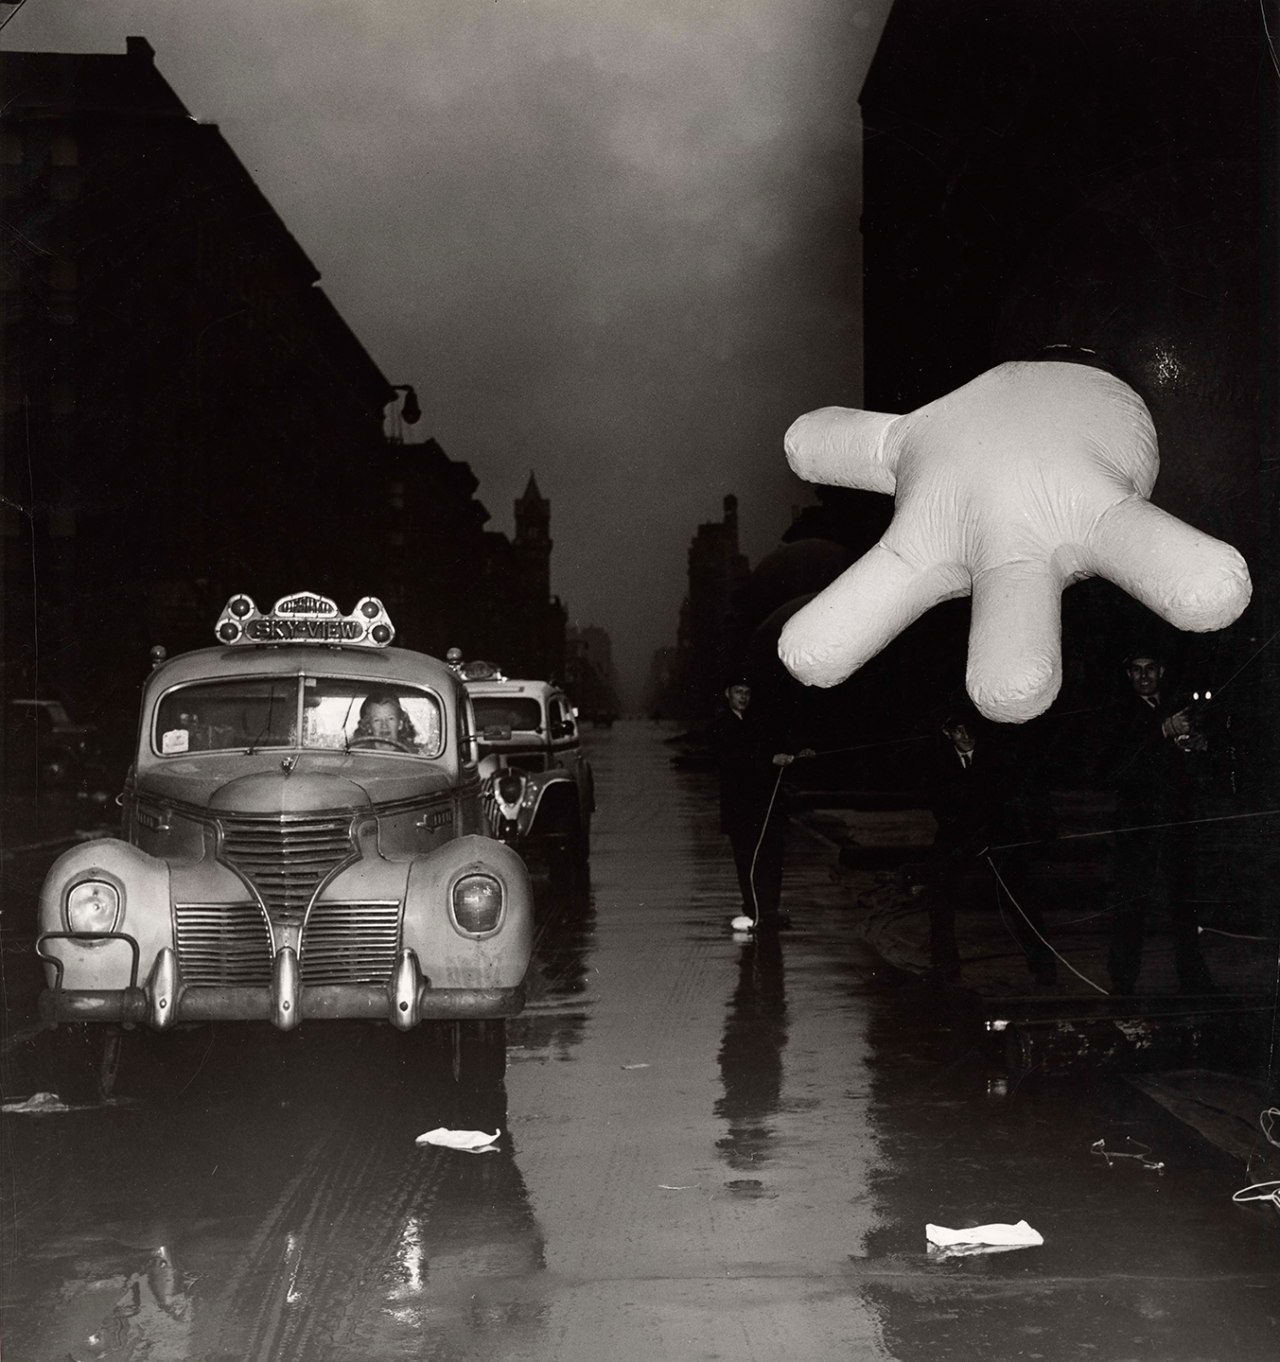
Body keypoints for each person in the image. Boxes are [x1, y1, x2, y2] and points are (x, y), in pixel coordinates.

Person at [918, 706, 1057, 985]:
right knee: (939, 890)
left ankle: (1044, 966)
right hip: (957, 836)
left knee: (1019, 899)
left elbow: (1004, 802)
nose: (965, 736)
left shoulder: (996, 757)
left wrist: (987, 839)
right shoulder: (937, 763)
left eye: (969, 729)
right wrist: (967, 843)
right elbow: (941, 809)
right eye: (958, 731)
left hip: (999, 835)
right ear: (947, 733)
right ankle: (944, 965)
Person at [1105, 650, 1214, 995]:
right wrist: (1164, 731)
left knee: (1184, 905)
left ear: (1161, 672)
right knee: (1131, 905)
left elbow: (1186, 766)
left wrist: (1198, 745)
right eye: (1136, 670)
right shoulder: (1117, 712)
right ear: (1128, 675)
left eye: (1149, 669)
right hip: (1137, 828)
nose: (1143, 676)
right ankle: (1123, 984)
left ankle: (1194, 980)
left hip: (1176, 823)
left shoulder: (1174, 708)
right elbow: (1116, 766)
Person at [709, 679, 811, 931]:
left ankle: (770, 911)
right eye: (738, 692)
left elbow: (772, 746)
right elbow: (733, 759)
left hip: (766, 806)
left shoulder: (755, 721)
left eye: (747, 692)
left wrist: (797, 754)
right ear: (727, 693)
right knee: (748, 861)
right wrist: (770, 759)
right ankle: (755, 912)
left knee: (772, 857)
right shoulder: (721, 725)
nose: (743, 697)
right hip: (739, 809)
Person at [353, 693, 419, 751]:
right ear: (368, 726)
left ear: (400, 724)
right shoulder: (358, 754)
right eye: (377, 720)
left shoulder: (414, 754)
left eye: (390, 719)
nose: (384, 726)